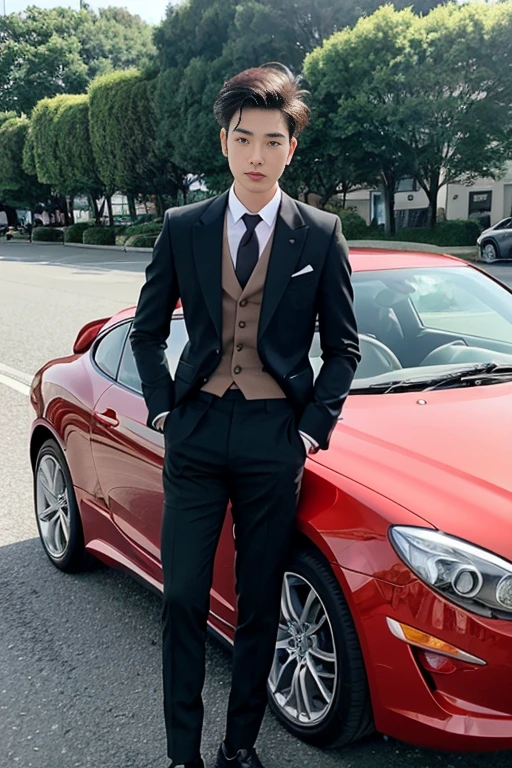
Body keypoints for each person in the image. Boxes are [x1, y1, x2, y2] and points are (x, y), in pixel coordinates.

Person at [130, 64, 360, 768]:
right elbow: (146, 329)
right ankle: (182, 756)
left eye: (272, 140)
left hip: (273, 439)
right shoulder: (186, 226)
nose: (257, 156)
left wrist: (310, 428)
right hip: (196, 432)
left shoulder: (319, 234)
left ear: (292, 147)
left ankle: (239, 746)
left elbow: (343, 347)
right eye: (244, 139)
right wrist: (166, 407)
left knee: (259, 602)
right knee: (183, 600)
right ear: (223, 142)